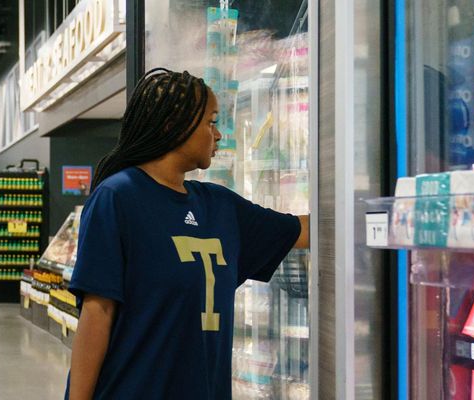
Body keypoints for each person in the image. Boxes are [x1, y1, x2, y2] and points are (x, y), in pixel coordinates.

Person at [65, 69, 310, 400]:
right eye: (211, 122)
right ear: (174, 126)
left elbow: (303, 230)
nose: (219, 134)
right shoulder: (117, 198)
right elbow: (96, 315)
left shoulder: (222, 208)